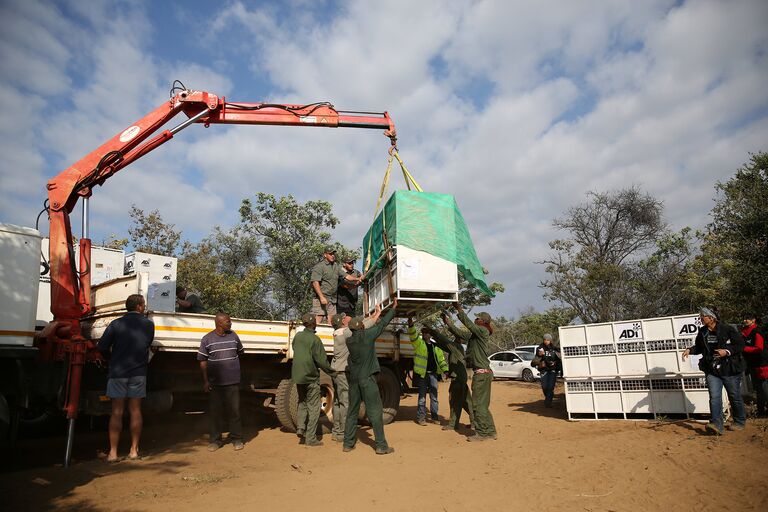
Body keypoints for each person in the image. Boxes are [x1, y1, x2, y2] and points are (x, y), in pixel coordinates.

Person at [97, 294, 155, 462]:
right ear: (138, 306)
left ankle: (113, 453)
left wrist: (111, 359)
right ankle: (134, 450)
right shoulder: (148, 325)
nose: (144, 307)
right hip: (138, 373)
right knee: (135, 411)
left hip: (118, 372)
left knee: (117, 412)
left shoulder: (116, 324)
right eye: (143, 304)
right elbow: (148, 343)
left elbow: (102, 347)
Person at [343, 299, 398, 454]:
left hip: (354, 381)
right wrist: (393, 308)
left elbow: (369, 326)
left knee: (352, 411)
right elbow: (381, 325)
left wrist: (376, 314)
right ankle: (381, 445)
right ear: (361, 327)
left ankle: (348, 443)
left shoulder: (350, 341)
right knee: (375, 411)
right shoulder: (367, 337)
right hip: (367, 379)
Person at [682, 307, 746, 435]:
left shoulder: (728, 329)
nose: (700, 319)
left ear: (711, 318)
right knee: (714, 397)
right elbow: (699, 347)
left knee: (734, 396)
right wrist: (690, 350)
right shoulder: (703, 332)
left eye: (702, 316)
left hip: (730, 369)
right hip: (712, 370)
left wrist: (726, 351)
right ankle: (716, 424)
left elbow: (740, 345)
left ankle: (739, 421)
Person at [330, 306, 381, 442]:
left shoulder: (337, 333)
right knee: (345, 403)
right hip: (342, 372)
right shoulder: (345, 333)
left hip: (335, 371)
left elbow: (358, 324)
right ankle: (343, 433)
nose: (346, 319)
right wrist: (377, 315)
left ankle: (336, 431)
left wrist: (368, 315)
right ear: (341, 323)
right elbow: (363, 326)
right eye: (344, 318)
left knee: (337, 402)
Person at [198, 312, 245, 451]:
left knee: (234, 412)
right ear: (219, 323)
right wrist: (206, 381)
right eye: (228, 321)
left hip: (232, 382)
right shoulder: (207, 339)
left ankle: (237, 439)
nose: (230, 323)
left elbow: (240, 353)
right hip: (215, 383)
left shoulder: (234, 336)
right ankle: (215, 441)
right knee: (215, 413)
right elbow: (202, 361)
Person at [454, 302, 497, 441]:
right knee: (483, 405)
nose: (475, 319)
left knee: (478, 405)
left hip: (482, 374)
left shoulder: (482, 331)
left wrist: (459, 309)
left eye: (477, 318)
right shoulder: (476, 335)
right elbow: (461, 333)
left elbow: (470, 326)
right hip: (484, 373)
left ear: (482, 321)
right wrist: (448, 322)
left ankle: (482, 434)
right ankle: (490, 431)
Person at [291, 313, 336, 446]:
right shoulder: (315, 340)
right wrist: (333, 373)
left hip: (298, 376)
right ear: (314, 324)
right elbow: (321, 361)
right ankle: (310, 438)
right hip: (311, 377)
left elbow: (295, 348)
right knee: (314, 407)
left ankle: (300, 428)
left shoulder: (298, 336)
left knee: (302, 402)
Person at [426, 311, 475, 432]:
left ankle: (453, 424)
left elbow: (444, 341)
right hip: (460, 378)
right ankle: (475, 421)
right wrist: (432, 341)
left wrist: (432, 331)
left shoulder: (456, 347)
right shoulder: (457, 348)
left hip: (458, 379)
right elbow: (443, 345)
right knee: (466, 401)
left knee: (454, 401)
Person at [407, 316, 449, 425]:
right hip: (423, 375)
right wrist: (411, 325)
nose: (425, 334)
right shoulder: (419, 344)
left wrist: (445, 370)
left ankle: (435, 418)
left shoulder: (436, 347)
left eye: (427, 332)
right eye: (424, 332)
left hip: (433, 375)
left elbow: (441, 360)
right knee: (422, 398)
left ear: (430, 334)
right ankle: (421, 418)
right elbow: (413, 336)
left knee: (434, 397)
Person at [310, 246, 360, 324]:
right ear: (325, 255)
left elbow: (347, 276)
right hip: (321, 298)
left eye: (333, 254)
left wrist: (358, 279)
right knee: (318, 320)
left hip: (332, 300)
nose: (332, 255)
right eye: (330, 254)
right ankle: (312, 335)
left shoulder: (336, 266)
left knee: (332, 323)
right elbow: (315, 282)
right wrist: (321, 297)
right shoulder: (319, 266)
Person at [742, 313, 768, 417]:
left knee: (765, 388)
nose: (745, 321)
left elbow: (759, 348)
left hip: (762, 364)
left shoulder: (757, 332)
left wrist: (744, 349)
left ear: (753, 320)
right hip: (752, 365)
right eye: (744, 319)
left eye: (747, 319)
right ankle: (761, 411)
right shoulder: (744, 332)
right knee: (758, 389)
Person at [532, 334, 560, 407]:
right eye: (545, 339)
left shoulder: (554, 348)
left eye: (548, 340)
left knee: (550, 387)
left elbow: (559, 358)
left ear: (550, 340)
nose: (546, 341)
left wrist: (555, 362)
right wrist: (539, 356)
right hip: (543, 370)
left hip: (553, 370)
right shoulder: (540, 348)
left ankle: (548, 402)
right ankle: (549, 397)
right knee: (544, 387)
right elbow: (535, 361)